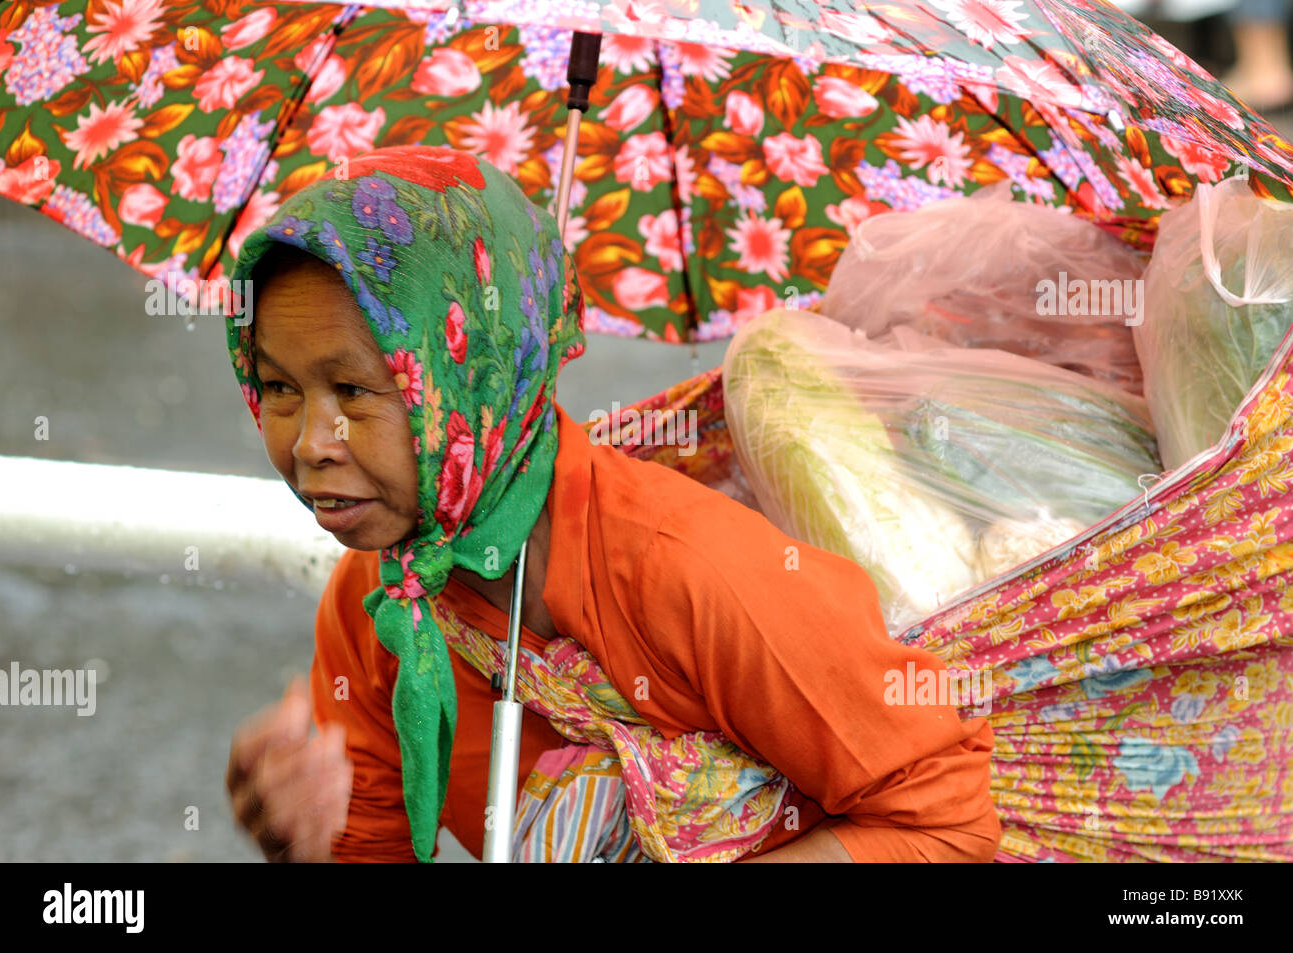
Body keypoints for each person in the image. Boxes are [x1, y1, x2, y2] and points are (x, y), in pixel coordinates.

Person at [222, 144, 1000, 863]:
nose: (309, 441)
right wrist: (307, 841)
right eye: (280, 388)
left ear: (474, 379)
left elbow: (945, 819)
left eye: (354, 389)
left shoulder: (690, 570)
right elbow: (369, 847)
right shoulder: (381, 607)